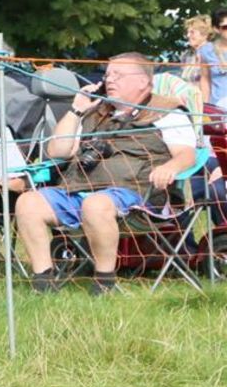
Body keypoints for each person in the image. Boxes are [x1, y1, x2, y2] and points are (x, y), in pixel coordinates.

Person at [15, 53, 198, 294]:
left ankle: (104, 283)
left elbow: (188, 155)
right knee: (28, 202)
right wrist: (76, 110)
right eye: (108, 74)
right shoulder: (95, 111)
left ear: (143, 81)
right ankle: (44, 283)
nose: (109, 80)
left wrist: (169, 168)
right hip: (79, 189)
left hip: (139, 195)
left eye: (118, 75)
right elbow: (57, 150)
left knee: (96, 204)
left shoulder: (166, 111)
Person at [180, 15, 227, 110]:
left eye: (192, 32)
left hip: (212, 104)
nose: (188, 35)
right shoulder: (187, 56)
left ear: (205, 34)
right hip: (188, 103)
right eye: (187, 32)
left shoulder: (214, 53)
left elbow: (207, 82)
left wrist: (205, 107)